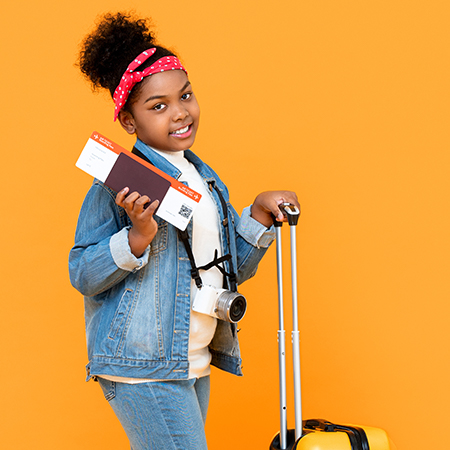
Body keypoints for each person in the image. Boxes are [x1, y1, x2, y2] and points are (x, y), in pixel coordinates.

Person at [69, 11, 300, 450]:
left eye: (186, 96)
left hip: (189, 358)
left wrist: (258, 215)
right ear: (129, 121)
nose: (180, 113)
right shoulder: (118, 182)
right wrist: (136, 237)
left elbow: (230, 269)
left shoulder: (204, 179)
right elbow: (82, 272)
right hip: (142, 365)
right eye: (158, 106)